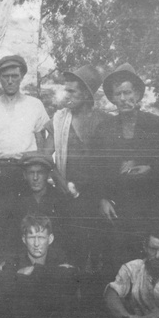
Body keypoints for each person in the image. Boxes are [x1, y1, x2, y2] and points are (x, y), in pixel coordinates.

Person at [0, 55, 51, 263]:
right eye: (5, 76)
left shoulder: (35, 105)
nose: (10, 80)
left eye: (14, 76)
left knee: (26, 227)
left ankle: (24, 276)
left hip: (24, 174)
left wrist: (39, 163)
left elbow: (47, 139)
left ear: (22, 76)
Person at [101, 63, 159, 267]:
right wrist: (103, 198)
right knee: (119, 264)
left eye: (128, 92)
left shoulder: (154, 124)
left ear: (137, 94)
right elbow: (96, 169)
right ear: (113, 98)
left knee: (149, 263)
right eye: (118, 94)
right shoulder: (105, 129)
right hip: (118, 211)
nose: (124, 99)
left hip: (148, 207)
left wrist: (149, 169)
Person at [46, 65, 112, 272]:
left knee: (97, 253)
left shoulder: (103, 121)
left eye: (72, 91)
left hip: (97, 197)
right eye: (66, 90)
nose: (67, 95)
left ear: (86, 94)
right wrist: (60, 181)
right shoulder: (60, 119)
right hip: (67, 196)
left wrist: (103, 196)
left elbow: (110, 164)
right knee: (71, 250)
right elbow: (45, 155)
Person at [0, 214, 78, 318]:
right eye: (32, 237)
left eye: (41, 237)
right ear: (24, 239)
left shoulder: (59, 256)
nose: (36, 243)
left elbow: (73, 278)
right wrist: (51, 274)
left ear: (50, 239)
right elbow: (5, 284)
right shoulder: (14, 261)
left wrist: (33, 271)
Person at [14, 152, 69, 253]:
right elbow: (13, 239)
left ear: (47, 174)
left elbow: (67, 237)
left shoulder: (59, 199)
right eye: (31, 173)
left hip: (55, 257)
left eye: (40, 172)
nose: (35, 178)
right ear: (25, 175)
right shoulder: (17, 200)